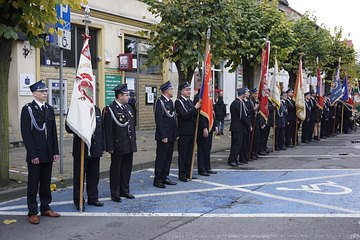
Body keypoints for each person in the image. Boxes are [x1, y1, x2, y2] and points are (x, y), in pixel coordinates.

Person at [20, 80, 60, 224]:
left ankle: (45, 207)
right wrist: (32, 154)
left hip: (48, 152)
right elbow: (26, 134)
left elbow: (53, 132)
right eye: (42, 91)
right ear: (34, 93)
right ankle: (32, 211)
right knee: (33, 183)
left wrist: (55, 151)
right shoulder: (28, 109)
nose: (45, 94)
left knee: (45, 182)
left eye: (46, 91)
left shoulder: (48, 109)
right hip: (36, 153)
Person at [66, 105, 105, 211]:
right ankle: (79, 201)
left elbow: (101, 129)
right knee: (79, 177)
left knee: (94, 176)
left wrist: (102, 146)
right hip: (81, 149)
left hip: (95, 148)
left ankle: (93, 198)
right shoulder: (76, 108)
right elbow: (68, 127)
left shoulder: (96, 109)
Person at [103, 84, 137, 201]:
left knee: (127, 169)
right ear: (120, 96)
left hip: (129, 143)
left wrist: (133, 141)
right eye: (126, 95)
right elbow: (108, 129)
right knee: (116, 170)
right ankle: (115, 193)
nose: (129, 97)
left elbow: (132, 126)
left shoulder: (128, 108)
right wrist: (109, 146)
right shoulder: (110, 109)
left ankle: (125, 190)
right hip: (118, 144)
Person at [153, 81, 178, 188]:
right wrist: (163, 135)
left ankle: (165, 176)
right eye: (172, 89)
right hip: (164, 136)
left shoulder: (170, 102)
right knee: (161, 157)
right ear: (167, 91)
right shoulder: (160, 102)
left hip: (171, 135)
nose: (173, 91)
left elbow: (173, 119)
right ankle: (157, 179)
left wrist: (175, 133)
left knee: (168, 157)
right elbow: (159, 120)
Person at [175, 82, 201, 182]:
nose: (189, 91)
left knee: (190, 153)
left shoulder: (190, 101)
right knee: (183, 154)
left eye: (190, 90)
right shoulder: (179, 102)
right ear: (181, 91)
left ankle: (188, 172)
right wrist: (195, 108)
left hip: (192, 131)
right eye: (187, 90)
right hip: (184, 132)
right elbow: (185, 115)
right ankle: (182, 174)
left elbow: (194, 115)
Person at [228, 87, 251, 167]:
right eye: (247, 92)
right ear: (243, 94)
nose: (248, 94)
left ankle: (235, 159)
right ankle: (232, 160)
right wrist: (249, 124)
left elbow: (246, 113)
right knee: (236, 144)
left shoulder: (240, 102)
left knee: (239, 144)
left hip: (239, 127)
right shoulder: (237, 103)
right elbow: (243, 116)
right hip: (237, 127)